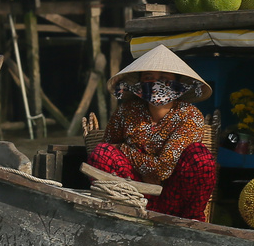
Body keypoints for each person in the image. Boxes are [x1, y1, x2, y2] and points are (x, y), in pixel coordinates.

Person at [86, 45, 216, 221]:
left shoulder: (190, 115)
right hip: (133, 194)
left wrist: (125, 149)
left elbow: (162, 169)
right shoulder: (127, 111)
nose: (156, 85)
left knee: (201, 157)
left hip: (173, 196)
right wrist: (130, 158)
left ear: (177, 84)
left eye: (164, 78)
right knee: (101, 154)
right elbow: (108, 149)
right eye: (149, 78)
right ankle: (117, 214)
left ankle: (191, 221)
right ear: (140, 84)